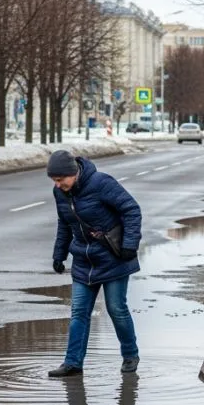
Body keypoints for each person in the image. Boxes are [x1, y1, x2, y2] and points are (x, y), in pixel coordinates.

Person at [47, 150, 142, 377]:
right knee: (79, 311)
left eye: (61, 180)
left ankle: (130, 354)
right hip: (83, 260)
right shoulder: (60, 193)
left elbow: (131, 210)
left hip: (113, 257)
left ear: (74, 173)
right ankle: (72, 363)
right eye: (54, 181)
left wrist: (130, 244)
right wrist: (59, 254)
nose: (58, 185)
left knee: (116, 308)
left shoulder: (101, 183)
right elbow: (65, 224)